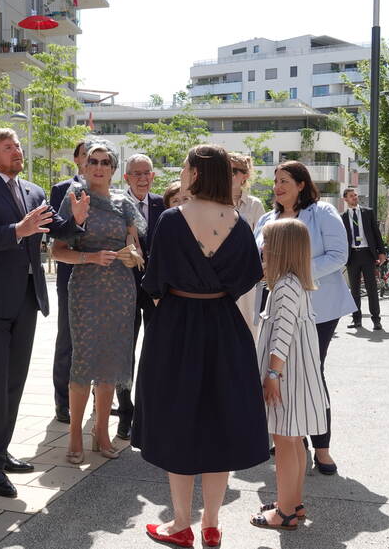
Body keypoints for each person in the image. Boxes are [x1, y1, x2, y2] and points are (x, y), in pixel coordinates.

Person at [133, 145, 268, 549]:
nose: (182, 171)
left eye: (186, 166)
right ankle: (211, 524)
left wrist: (178, 303)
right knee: (220, 421)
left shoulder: (173, 219)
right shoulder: (240, 223)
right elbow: (247, 279)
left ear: (196, 173)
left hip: (177, 326)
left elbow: (155, 282)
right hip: (225, 328)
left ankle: (180, 524)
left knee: (178, 422)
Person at [0, 128, 89, 499]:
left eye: (16, 146)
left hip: (27, 299)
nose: (16, 151)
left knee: (13, 382)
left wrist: (76, 221)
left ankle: (0, 451)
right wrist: (19, 229)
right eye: (7, 147)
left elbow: (55, 229)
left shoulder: (32, 190)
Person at [254, 161, 355, 476]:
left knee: (311, 372)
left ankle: (322, 447)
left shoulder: (321, 213)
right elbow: (257, 261)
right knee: (278, 371)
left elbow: (339, 256)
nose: (278, 186)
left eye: (285, 180)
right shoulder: (267, 219)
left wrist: (295, 277)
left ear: (301, 184)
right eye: (275, 181)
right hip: (279, 306)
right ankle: (288, 437)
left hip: (318, 309)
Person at [52, 143, 145, 463]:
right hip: (87, 290)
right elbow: (57, 250)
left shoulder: (124, 204)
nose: (99, 167)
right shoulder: (74, 200)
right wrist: (90, 256)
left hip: (121, 290)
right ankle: (75, 433)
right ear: (84, 166)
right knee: (83, 361)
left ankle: (101, 432)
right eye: (93, 161)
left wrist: (132, 257)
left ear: (114, 169)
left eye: (106, 162)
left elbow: (136, 250)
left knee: (111, 364)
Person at [250, 218, 327, 531]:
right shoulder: (293, 283)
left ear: (280, 249)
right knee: (293, 442)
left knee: (284, 443)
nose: (263, 248)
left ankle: (283, 512)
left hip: (286, 379)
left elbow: (281, 335)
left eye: (267, 242)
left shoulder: (284, 287)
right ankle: (293, 504)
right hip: (295, 377)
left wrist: (271, 374)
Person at [116, 153, 165, 440]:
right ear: (126, 178)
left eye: (147, 172)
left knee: (156, 352)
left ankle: (153, 411)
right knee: (125, 354)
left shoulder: (163, 204)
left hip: (157, 291)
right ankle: (125, 413)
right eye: (136, 173)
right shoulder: (116, 205)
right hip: (123, 290)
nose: (143, 178)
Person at [49, 139, 90, 424]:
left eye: (99, 158)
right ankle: (62, 402)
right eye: (87, 156)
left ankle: (101, 400)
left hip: (101, 278)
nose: (92, 162)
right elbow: (56, 232)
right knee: (68, 339)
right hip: (69, 273)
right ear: (77, 160)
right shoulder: (62, 190)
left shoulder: (110, 192)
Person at [230, 153, 265, 341]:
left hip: (246, 279)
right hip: (218, 277)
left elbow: (262, 244)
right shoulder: (212, 202)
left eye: (234, 170)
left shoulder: (254, 205)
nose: (228, 174)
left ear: (245, 175)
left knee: (248, 330)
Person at [341, 187, 386, 330]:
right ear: (345, 199)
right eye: (351, 196)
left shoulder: (368, 213)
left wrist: (382, 252)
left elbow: (376, 233)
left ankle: (376, 320)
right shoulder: (342, 217)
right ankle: (356, 319)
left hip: (367, 254)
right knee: (354, 290)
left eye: (355, 195)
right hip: (352, 256)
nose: (355, 197)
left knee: (371, 288)